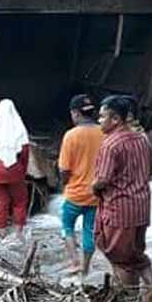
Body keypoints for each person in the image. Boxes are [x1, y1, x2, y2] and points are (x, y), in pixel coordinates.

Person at [92, 95, 152, 302]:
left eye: (102, 117)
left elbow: (102, 179)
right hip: (141, 207)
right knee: (135, 252)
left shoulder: (110, 145)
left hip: (119, 208)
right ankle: (151, 286)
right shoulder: (141, 139)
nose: (99, 121)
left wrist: (93, 188)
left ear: (115, 119)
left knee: (120, 258)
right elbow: (150, 171)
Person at [58, 94, 104, 277]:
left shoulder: (71, 136)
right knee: (89, 231)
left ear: (76, 114)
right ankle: (85, 268)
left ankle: (74, 262)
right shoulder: (104, 133)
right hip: (96, 194)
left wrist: (64, 184)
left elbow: (64, 169)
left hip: (75, 194)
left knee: (66, 226)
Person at [0, 99, 30, 241]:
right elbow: (25, 153)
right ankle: (18, 233)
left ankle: (1, 232)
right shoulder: (19, 129)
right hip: (15, 170)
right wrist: (23, 170)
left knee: (2, 201)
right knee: (20, 201)